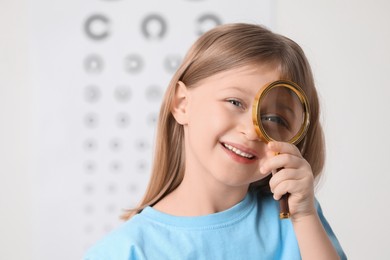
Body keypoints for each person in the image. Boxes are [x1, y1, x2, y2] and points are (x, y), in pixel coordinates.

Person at [83, 23, 347, 260]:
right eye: (235, 102)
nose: (253, 130)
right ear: (182, 103)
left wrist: (305, 216)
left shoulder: (297, 220)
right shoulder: (124, 251)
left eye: (275, 119)